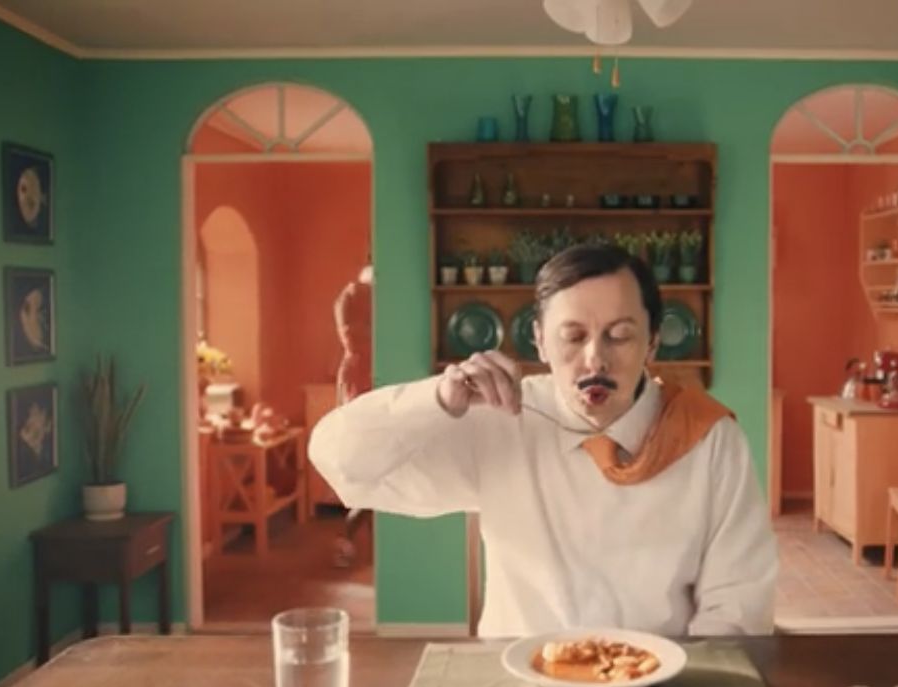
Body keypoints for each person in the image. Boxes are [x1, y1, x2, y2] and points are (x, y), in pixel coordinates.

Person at [309, 244, 777, 637]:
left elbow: (737, 606)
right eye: (572, 337)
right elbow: (341, 463)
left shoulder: (710, 438)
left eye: (621, 336)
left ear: (653, 342)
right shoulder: (500, 419)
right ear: (539, 341)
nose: (595, 359)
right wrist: (437, 400)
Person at [330, 264, 373, 568]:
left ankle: (357, 543)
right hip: (361, 383)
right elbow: (354, 336)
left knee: (374, 475)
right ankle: (347, 540)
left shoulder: (358, 297)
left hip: (367, 379)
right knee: (369, 474)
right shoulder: (353, 296)